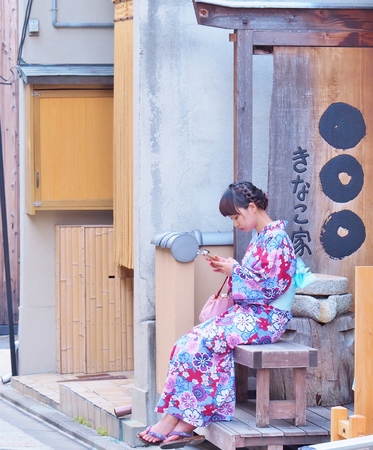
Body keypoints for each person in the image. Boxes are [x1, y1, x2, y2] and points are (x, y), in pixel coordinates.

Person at [138, 181, 302, 449]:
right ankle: (177, 419)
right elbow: (256, 282)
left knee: (204, 341)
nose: (236, 223)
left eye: (236, 216)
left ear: (252, 207)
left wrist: (234, 271)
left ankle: (185, 421)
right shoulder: (263, 238)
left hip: (267, 318)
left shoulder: (277, 240)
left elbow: (270, 289)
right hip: (252, 313)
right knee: (187, 342)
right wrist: (231, 269)